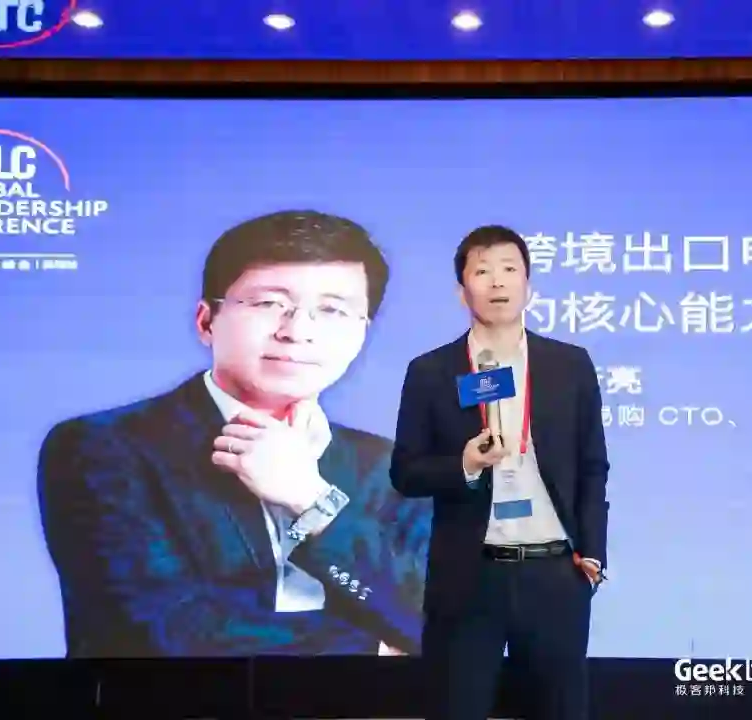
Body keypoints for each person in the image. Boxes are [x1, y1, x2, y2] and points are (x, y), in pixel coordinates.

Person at [38, 210, 430, 657]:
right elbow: (158, 632)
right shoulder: (103, 447)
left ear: (361, 334)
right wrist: (376, 650)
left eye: (332, 310)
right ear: (207, 321)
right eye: (269, 304)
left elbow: (443, 617)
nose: (297, 331)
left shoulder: (392, 468)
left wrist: (313, 500)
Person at [390, 225, 610, 720]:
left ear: (528, 286)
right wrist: (465, 465)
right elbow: (405, 472)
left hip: (554, 573)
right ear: (461, 291)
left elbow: (593, 465)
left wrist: (593, 554)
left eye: (509, 269)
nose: (497, 282)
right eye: (483, 271)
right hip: (470, 576)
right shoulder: (431, 372)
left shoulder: (569, 365)